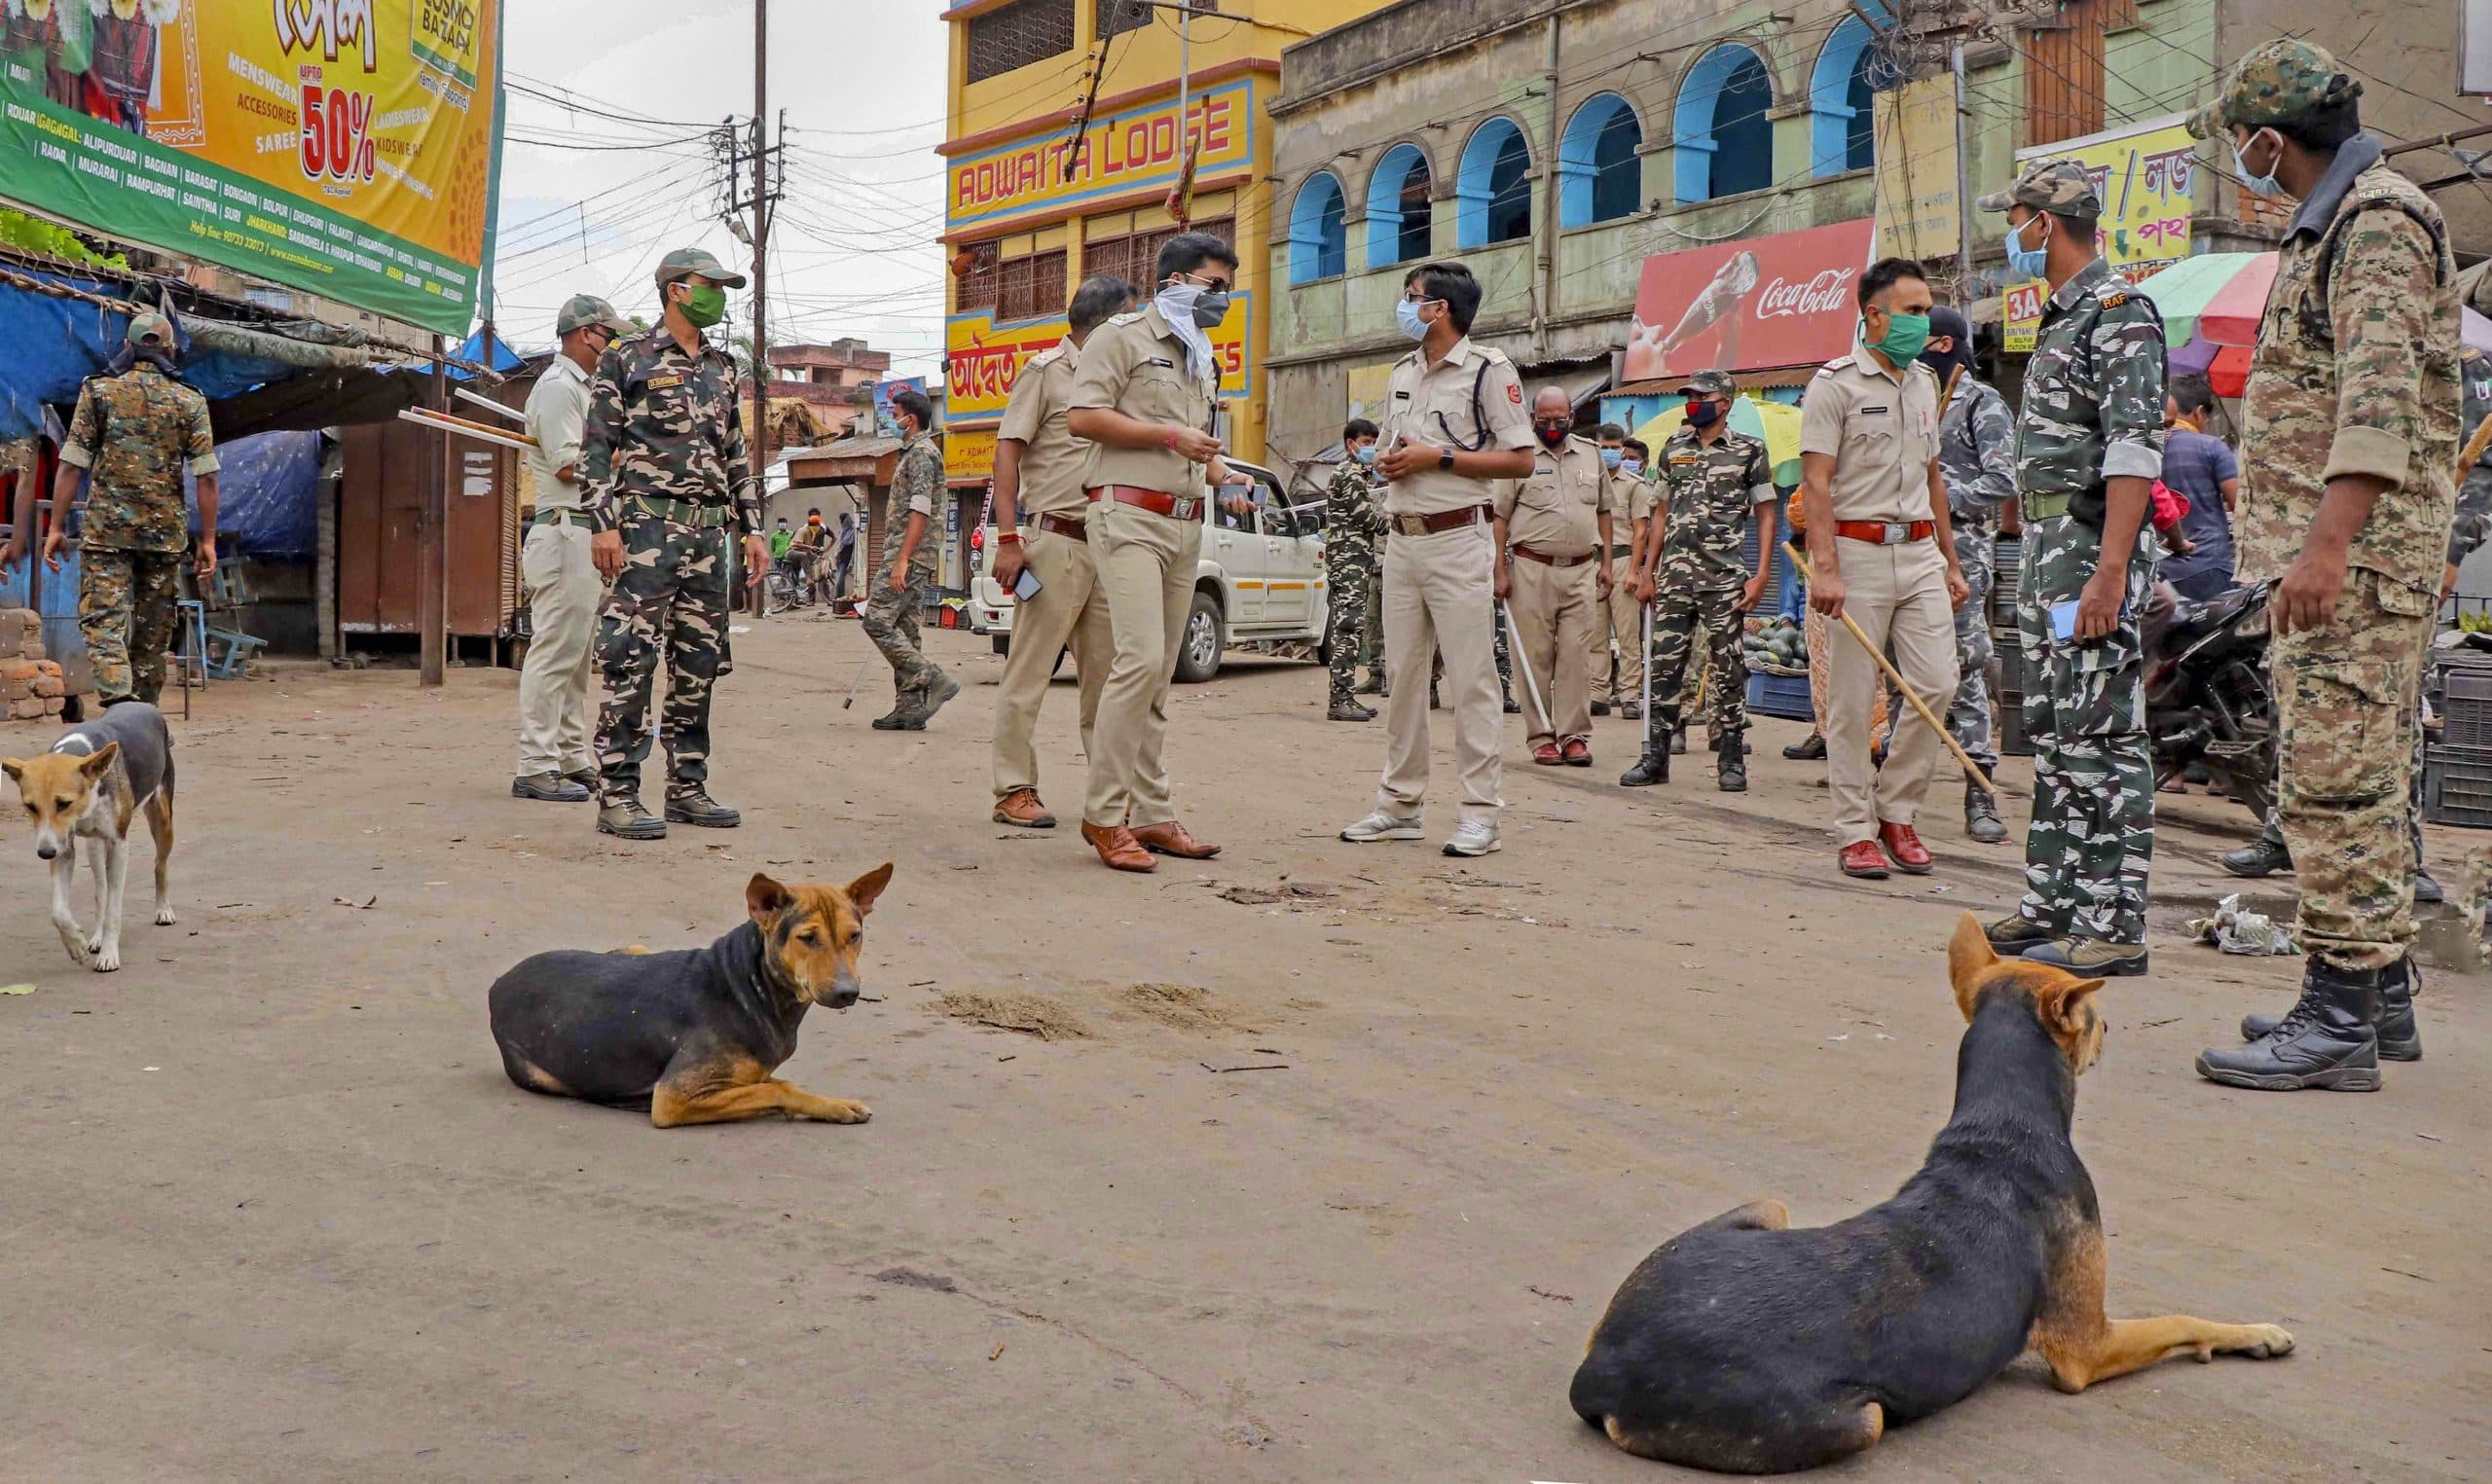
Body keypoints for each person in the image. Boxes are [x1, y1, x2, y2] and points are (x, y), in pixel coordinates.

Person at [2189, 42, 2458, 1092]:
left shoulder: (2374, 222)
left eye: (2240, 148)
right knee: (2372, 781)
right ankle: (2378, 995)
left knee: (2333, 787)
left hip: (2352, 565)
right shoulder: (2340, 223)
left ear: (2268, 140)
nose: (2241, 164)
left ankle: (2336, 1015)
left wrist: (2325, 548)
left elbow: (2378, 402)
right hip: (2348, 560)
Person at [1976, 162, 2165, 973]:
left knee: (2105, 735)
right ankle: (2051, 899)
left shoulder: (2119, 314)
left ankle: (2115, 923)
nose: (2008, 234)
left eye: (2013, 219)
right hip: (2051, 558)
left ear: (2044, 225)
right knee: (2055, 732)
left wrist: (2112, 572)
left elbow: (2133, 449)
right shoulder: (2061, 320)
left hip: (2092, 554)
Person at [1338, 262, 1536, 857]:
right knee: (1401, 678)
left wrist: (1438, 458)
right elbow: (1406, 448)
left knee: (1473, 680)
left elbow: (1521, 458)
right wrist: (1395, 462)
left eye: (1412, 298)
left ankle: (1480, 813)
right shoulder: (1403, 372)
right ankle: (1400, 804)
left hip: (1458, 539)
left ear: (1440, 309)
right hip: (1401, 539)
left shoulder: (1487, 371)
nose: (1405, 306)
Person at [581, 247, 773, 840]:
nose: (720, 292)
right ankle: (618, 793)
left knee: (699, 663)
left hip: (709, 533)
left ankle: (687, 786)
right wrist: (602, 525)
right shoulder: (626, 358)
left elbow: (735, 452)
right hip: (645, 530)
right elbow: (593, 448)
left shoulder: (722, 366)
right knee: (630, 659)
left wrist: (754, 528)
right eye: (709, 283)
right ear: (675, 291)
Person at [1064, 231, 1238, 872]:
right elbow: (1083, 418)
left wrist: (1223, 475)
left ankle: (1155, 812)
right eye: (1212, 284)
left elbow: (1196, 443)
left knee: (1160, 672)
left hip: (1184, 521)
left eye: (1226, 286)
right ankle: (1105, 816)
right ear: (1173, 281)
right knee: (1139, 659)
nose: (1222, 297)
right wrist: (1169, 434)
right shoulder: (1121, 337)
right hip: (1127, 514)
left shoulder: (1202, 354)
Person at [1798, 259, 1968, 880]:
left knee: (1937, 682)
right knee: (1850, 700)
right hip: (1856, 552)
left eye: (1927, 310)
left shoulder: (1925, 383)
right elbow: (1816, 483)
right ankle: (1854, 830)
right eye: (1914, 311)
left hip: (1920, 551)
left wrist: (1950, 561)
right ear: (1875, 314)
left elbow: (1932, 475)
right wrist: (1825, 567)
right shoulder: (1834, 385)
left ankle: (1897, 810)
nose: (1924, 323)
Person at [989, 273, 1136, 827]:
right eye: (1126, 318)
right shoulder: (1044, 374)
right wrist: (1009, 539)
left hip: (1107, 541)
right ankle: (1013, 789)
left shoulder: (1115, 378)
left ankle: (1110, 797)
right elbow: (1007, 456)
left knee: (1108, 679)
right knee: (1028, 674)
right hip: (1053, 541)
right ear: (1103, 322)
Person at [44, 310, 217, 708]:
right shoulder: (189, 400)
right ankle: (143, 719)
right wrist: (207, 539)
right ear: (170, 349)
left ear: (127, 346)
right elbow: (206, 477)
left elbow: (72, 463)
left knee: (103, 623)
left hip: (106, 534)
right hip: (162, 539)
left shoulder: (100, 391)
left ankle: (119, 701)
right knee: (152, 633)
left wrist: (55, 527)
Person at [1624, 370, 1777, 790]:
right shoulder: (1674, 448)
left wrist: (1761, 574)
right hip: (1674, 578)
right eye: (1689, 396)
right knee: (1664, 668)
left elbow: (1766, 515)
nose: (1694, 402)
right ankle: (1654, 757)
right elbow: (1659, 513)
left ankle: (1730, 760)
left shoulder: (1750, 451)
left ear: (1724, 402)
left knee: (1728, 669)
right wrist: (1646, 572)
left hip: (1724, 577)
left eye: (1702, 395)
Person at [513, 293, 631, 804]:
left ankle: (567, 754)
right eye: (609, 336)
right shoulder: (560, 388)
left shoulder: (585, 389)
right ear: (587, 334)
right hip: (564, 528)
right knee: (555, 652)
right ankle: (535, 763)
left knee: (578, 654)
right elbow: (569, 466)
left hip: (583, 529)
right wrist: (627, 454)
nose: (612, 346)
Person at [1921, 305, 2017, 844]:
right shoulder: (1910, 397)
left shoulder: (1982, 401)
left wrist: (1940, 502)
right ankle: (1894, 788)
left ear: (1943, 344)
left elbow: (2004, 479)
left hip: (1961, 553)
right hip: (1902, 550)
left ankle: (1979, 787)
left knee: (1963, 664)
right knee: (1898, 667)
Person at [1495, 389, 1616, 767]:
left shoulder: (1591, 454)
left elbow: (1605, 512)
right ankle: (1541, 736)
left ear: (1572, 416)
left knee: (1577, 658)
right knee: (1534, 658)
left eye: (1558, 419)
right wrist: (1498, 569)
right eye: (1543, 419)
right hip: (1531, 569)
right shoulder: (1518, 458)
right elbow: (1498, 516)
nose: (1551, 426)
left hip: (1582, 569)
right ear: (1532, 417)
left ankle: (1574, 735)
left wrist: (1607, 564)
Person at [861, 385, 957, 731]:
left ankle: (931, 676)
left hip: (908, 554)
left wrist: (902, 559)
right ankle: (910, 708)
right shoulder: (916, 452)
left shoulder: (921, 454)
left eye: (894, 412)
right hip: (915, 553)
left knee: (875, 620)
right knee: (905, 629)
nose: (890, 418)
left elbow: (920, 509)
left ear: (910, 419)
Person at [2157, 375, 2243, 601]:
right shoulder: (2212, 447)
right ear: (2199, 412)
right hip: (2208, 565)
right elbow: (2240, 507)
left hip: (2160, 572)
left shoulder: (2149, 449)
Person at [1323, 417, 1385, 721]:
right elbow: (1367, 518)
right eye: (1366, 443)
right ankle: (1339, 702)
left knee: (1352, 629)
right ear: (1351, 445)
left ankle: (1345, 696)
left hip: (1354, 561)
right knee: (1347, 630)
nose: (1371, 448)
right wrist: (1398, 523)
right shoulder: (1349, 474)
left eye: (1374, 442)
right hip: (1348, 562)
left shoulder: (1359, 474)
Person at [1586, 422, 1639, 720]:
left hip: (1622, 561)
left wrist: (1635, 570)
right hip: (1591, 562)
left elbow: (1641, 532)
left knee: (1628, 635)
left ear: (1623, 448)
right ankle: (1599, 694)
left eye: (1614, 448)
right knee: (1595, 635)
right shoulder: (1587, 481)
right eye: (1604, 448)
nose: (1608, 453)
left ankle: (1630, 695)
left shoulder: (1633, 485)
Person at [832, 511, 858, 603]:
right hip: (840, 559)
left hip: (846, 560)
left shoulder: (853, 533)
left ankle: (836, 598)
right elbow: (839, 545)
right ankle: (840, 600)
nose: (842, 522)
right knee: (841, 582)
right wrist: (836, 555)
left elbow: (855, 549)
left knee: (838, 582)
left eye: (843, 520)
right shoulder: (842, 531)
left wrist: (851, 563)